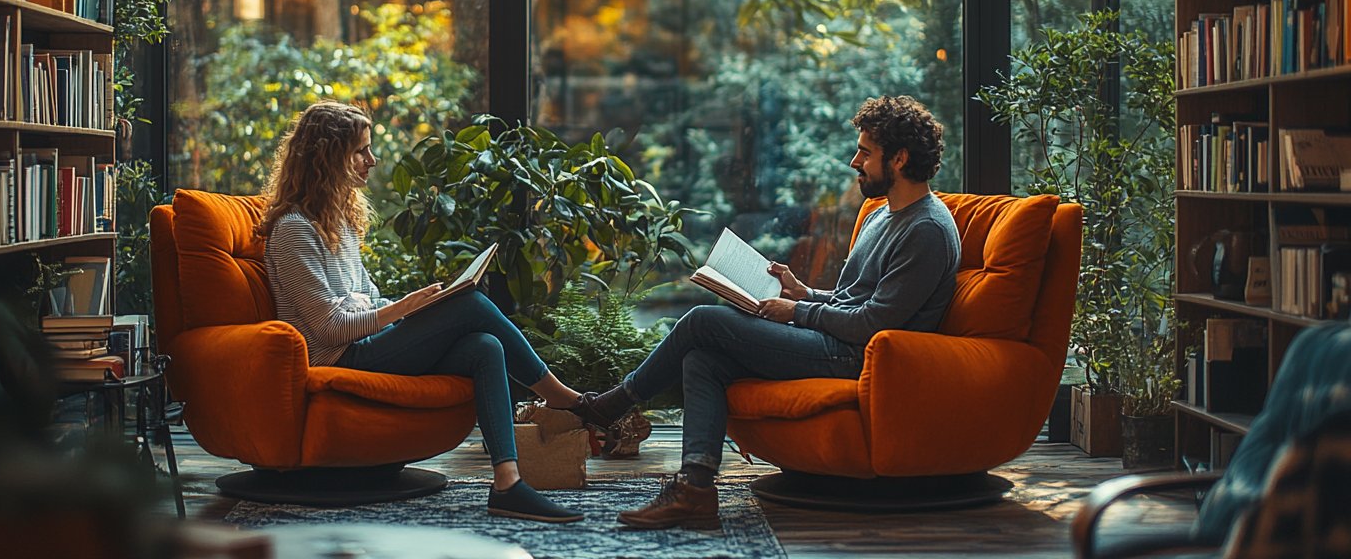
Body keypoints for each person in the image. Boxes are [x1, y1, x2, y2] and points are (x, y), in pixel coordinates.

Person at [571, 95, 962, 529]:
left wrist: (794, 312)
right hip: (838, 340)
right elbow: (855, 298)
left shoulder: (926, 229)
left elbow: (873, 323)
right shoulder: (883, 215)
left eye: (865, 152)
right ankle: (695, 490)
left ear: (901, 158)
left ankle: (612, 405)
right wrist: (805, 291)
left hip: (858, 357)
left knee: (703, 321)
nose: (855, 161)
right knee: (704, 360)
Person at [260, 101, 591, 523]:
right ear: (328, 157)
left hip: (365, 343)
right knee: (469, 303)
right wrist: (400, 308)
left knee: (484, 346)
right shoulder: (294, 230)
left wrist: (410, 306)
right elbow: (329, 329)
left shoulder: (336, 221)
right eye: (361, 151)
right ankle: (563, 397)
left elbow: (367, 296)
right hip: (343, 355)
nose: (372, 161)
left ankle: (508, 483)